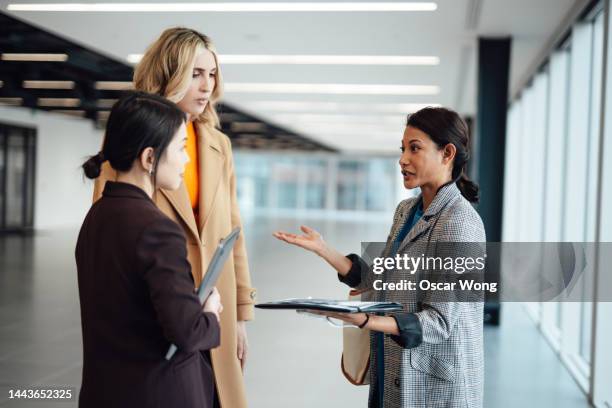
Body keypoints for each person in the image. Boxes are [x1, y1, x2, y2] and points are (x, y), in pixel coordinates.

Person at [274, 107, 486, 408]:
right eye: (403, 149)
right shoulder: (406, 212)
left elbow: (438, 322)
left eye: (415, 148)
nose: (403, 159)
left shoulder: (458, 223)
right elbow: (381, 279)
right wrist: (324, 250)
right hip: (393, 371)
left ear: (447, 153)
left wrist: (363, 319)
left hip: (432, 388)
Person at [92, 28, 255, 408]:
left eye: (212, 74)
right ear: (169, 74)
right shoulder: (130, 137)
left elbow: (233, 231)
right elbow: (109, 229)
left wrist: (240, 315)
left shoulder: (218, 144)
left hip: (216, 304)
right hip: (160, 306)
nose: (207, 86)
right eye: (195, 74)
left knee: (214, 397)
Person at [76, 92, 223, 408]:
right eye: (181, 148)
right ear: (149, 158)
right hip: (158, 393)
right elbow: (188, 332)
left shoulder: (97, 215)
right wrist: (210, 313)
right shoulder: (157, 229)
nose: (185, 159)